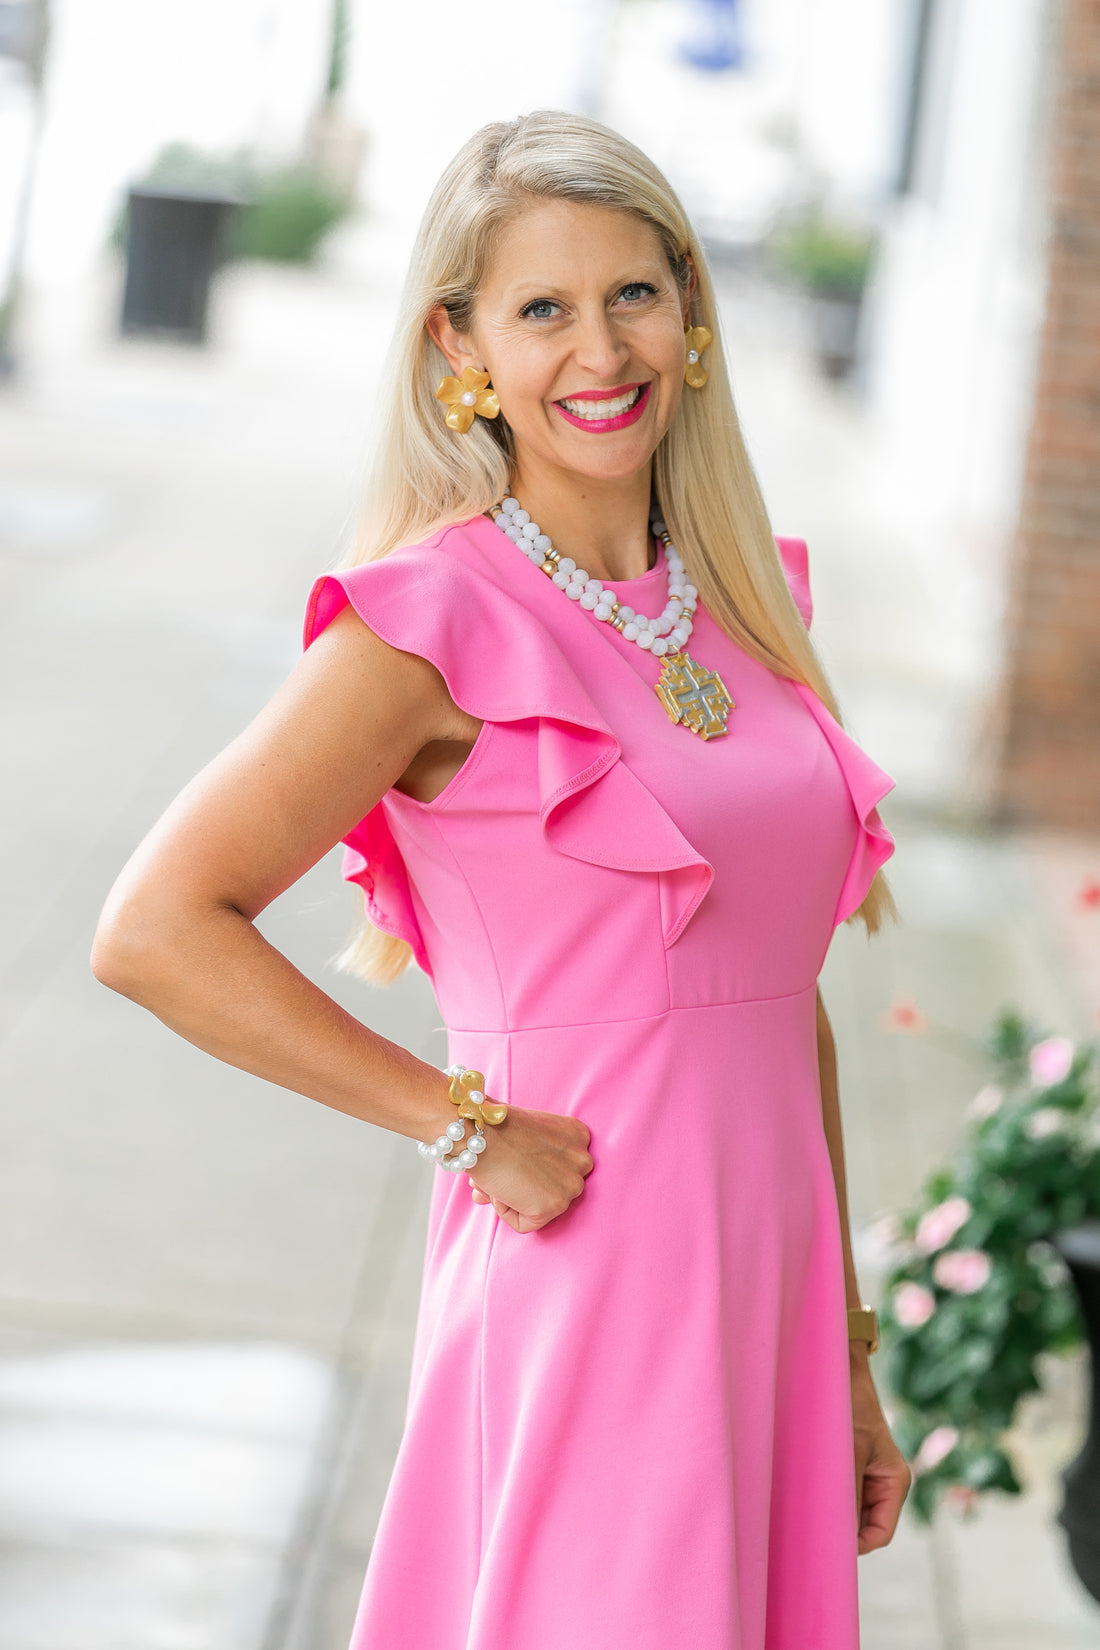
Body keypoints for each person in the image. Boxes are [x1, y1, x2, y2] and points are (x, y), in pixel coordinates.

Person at [91, 109, 912, 1650]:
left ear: (692, 313)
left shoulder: (747, 604)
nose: (600, 350)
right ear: (457, 343)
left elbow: (778, 1005)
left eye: (635, 295)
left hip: (769, 1303)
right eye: (542, 308)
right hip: (585, 1282)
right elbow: (154, 928)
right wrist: (458, 1122)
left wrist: (849, 1348)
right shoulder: (421, 629)